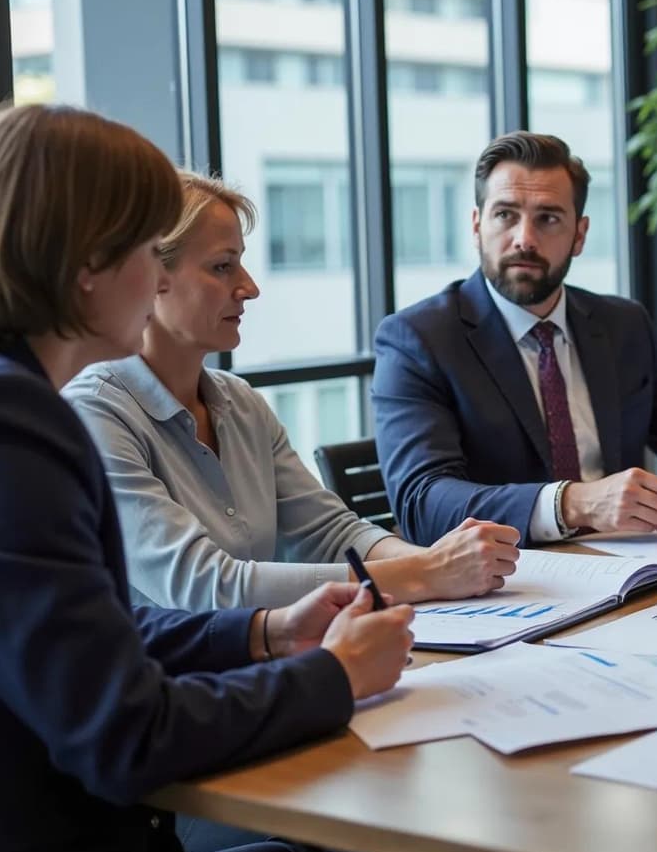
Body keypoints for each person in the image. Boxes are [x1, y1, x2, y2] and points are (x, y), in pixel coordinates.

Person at [0, 104, 476, 852]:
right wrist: (335, 675)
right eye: (151, 250)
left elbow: (82, 630)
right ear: (89, 266)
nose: (158, 279)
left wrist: (263, 633)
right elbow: (124, 735)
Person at [66, 172, 521, 612]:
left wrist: (433, 562)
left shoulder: (240, 402)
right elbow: (204, 584)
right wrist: (426, 573)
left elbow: (330, 531)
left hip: (259, 658)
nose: (250, 287)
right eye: (222, 266)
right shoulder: (95, 414)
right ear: (149, 275)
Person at [373, 131, 657, 547]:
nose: (524, 238)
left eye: (548, 218)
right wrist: (572, 502)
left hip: (628, 570)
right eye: (505, 214)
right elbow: (421, 503)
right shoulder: (418, 339)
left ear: (579, 235)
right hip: (505, 583)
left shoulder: (622, 324)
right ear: (476, 225)